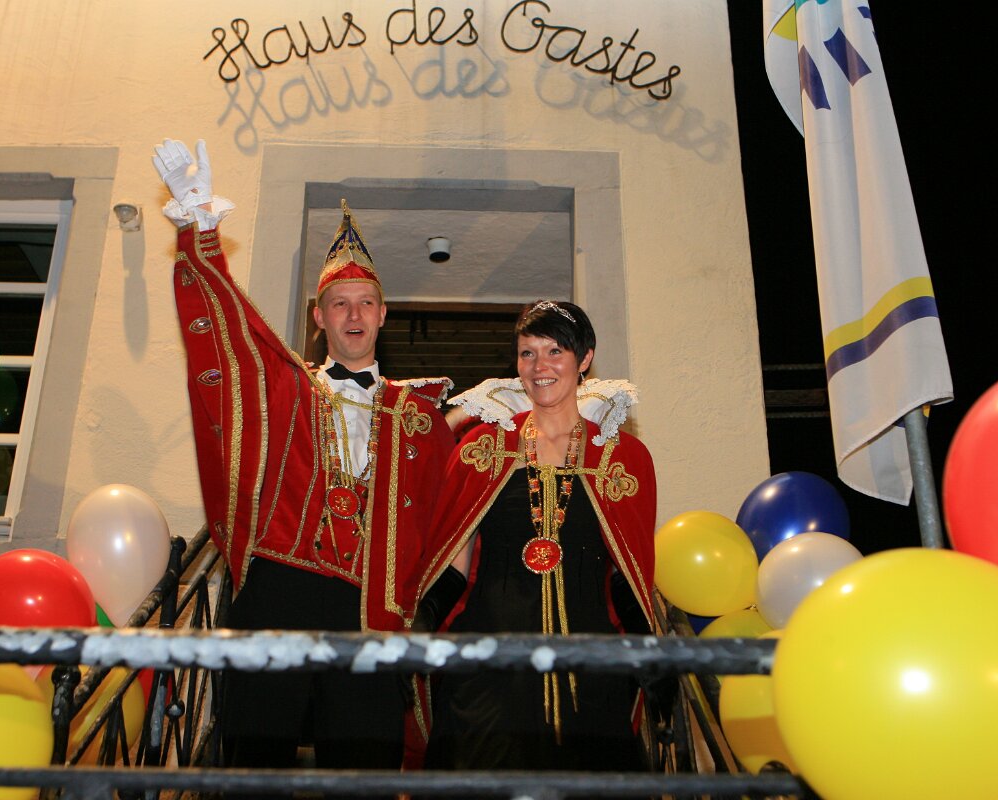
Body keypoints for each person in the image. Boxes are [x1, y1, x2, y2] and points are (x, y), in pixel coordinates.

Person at [152, 139, 455, 785]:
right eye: (339, 303)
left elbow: (452, 514)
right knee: (254, 767)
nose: (354, 314)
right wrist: (200, 229)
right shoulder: (286, 387)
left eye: (365, 302)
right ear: (319, 318)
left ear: (383, 315)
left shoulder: (418, 416)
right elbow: (230, 339)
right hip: (279, 590)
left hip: (368, 608)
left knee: (365, 770)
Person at [412, 299, 657, 775]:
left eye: (554, 351)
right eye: (528, 353)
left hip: (591, 673)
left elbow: (626, 572)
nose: (540, 366)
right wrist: (420, 626)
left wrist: (653, 650)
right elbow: (453, 563)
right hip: (489, 671)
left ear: (585, 358)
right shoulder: (482, 449)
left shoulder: (622, 458)